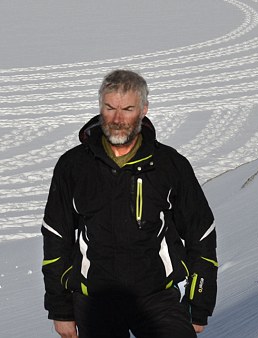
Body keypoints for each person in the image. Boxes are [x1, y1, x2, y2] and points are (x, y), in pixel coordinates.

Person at [42, 70, 218, 337]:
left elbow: (201, 234)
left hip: (157, 298)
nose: (117, 119)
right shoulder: (74, 165)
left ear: (144, 109)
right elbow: (56, 236)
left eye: (127, 109)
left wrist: (199, 304)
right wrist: (61, 310)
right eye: (110, 108)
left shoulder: (169, 165)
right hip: (95, 300)